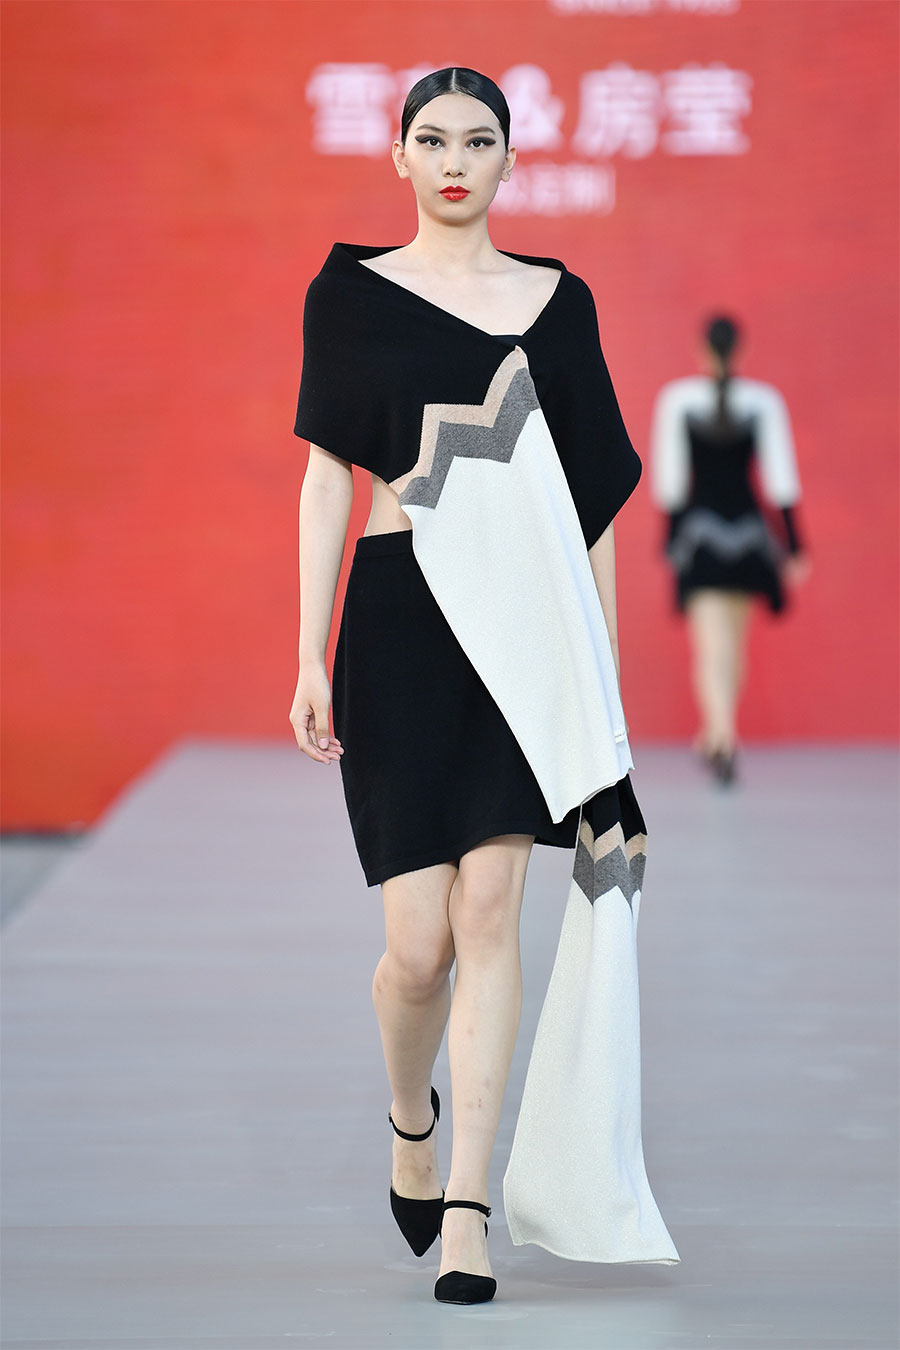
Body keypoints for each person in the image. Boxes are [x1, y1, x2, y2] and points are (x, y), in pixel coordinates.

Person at [291, 67, 679, 1305]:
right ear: (398, 158)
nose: (455, 160)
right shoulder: (350, 296)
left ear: (512, 159)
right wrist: (308, 652)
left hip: (522, 629)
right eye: (432, 139)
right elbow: (328, 478)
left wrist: (596, 674)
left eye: (478, 141)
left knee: (494, 909)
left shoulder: (557, 304)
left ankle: (468, 1208)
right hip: (400, 619)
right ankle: (411, 1117)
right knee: (416, 948)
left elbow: (589, 507)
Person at [650, 316, 810, 784]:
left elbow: (669, 480)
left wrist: (669, 540)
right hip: (748, 538)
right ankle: (722, 732)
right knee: (733, 645)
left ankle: (719, 734)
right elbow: (781, 479)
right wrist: (794, 545)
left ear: (702, 350)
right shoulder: (763, 401)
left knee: (711, 645)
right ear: (740, 350)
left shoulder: (677, 400)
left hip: (699, 537)